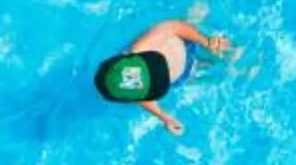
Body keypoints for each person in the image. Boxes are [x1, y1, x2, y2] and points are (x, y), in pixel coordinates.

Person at [92, 13, 232, 138]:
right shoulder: (135, 90)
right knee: (221, 75)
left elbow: (173, 27)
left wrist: (206, 41)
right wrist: (165, 117)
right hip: (184, 74)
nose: (163, 75)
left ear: (129, 56)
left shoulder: (142, 46)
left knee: (200, 14)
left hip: (184, 41)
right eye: (157, 85)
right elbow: (142, 99)